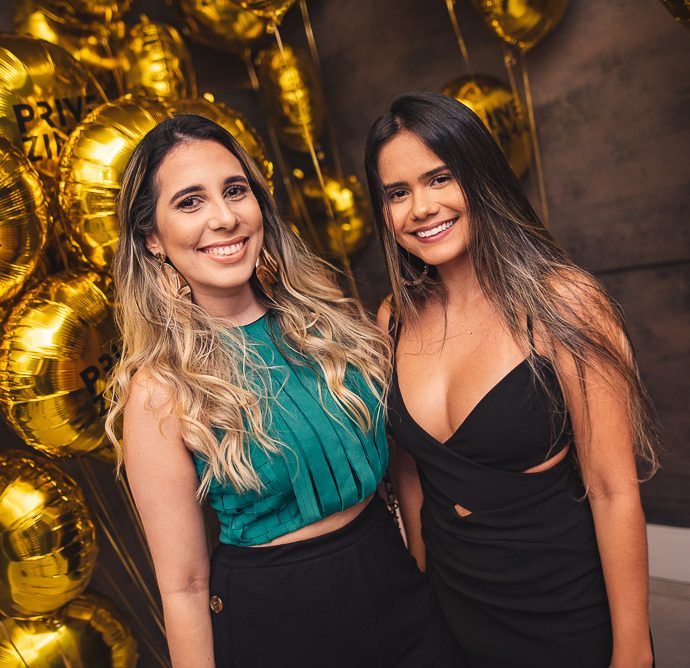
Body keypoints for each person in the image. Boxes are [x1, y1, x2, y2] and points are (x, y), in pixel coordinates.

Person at [105, 114, 461, 668]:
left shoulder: (328, 327)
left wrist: (418, 564)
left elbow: (406, 470)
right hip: (279, 624)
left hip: (400, 593)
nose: (224, 218)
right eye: (190, 202)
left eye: (235, 191)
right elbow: (184, 585)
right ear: (153, 238)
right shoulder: (159, 389)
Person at [364, 92, 658, 668]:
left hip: (562, 612)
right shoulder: (393, 317)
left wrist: (633, 652)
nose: (421, 207)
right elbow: (411, 477)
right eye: (397, 193)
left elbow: (613, 491)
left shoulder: (565, 304)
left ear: (480, 176)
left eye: (440, 178)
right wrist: (422, 598)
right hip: (451, 609)